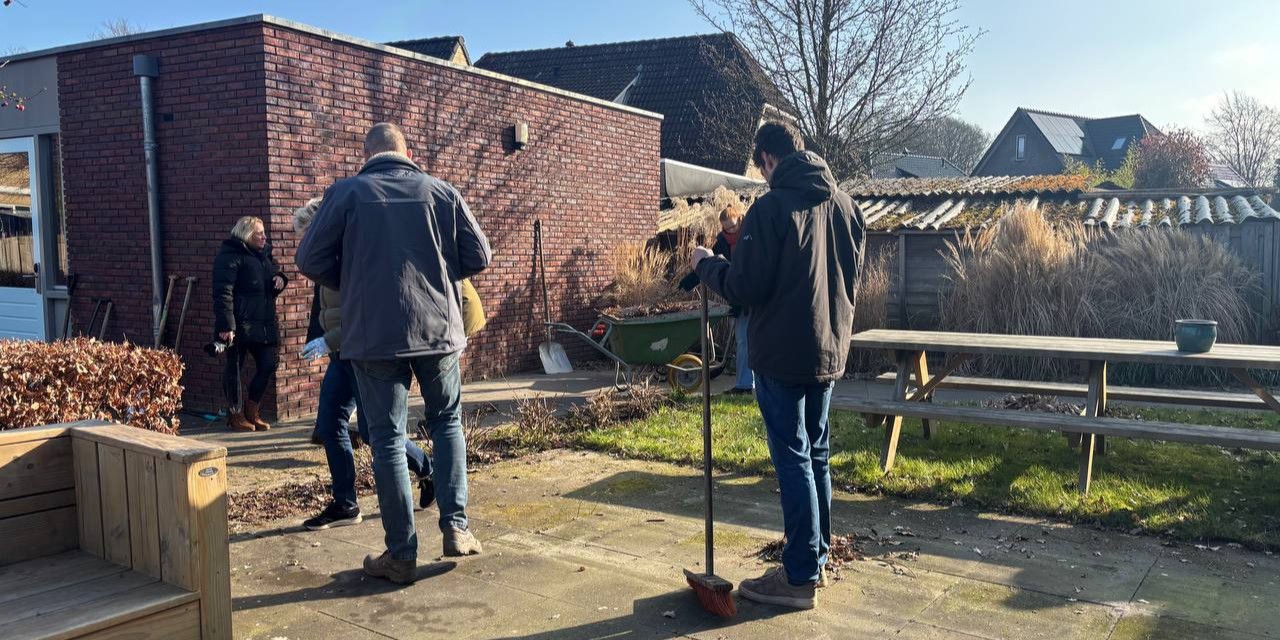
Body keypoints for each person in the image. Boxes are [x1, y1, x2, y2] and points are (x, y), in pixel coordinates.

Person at [296, 123, 492, 585]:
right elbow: (479, 254)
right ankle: (457, 528)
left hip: (373, 333)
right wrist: (437, 273)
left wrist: (357, 279)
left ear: (366, 155)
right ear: (408, 150)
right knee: (446, 422)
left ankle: (400, 554)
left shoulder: (344, 195)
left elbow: (309, 260)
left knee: (385, 437)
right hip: (438, 330)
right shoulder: (440, 192)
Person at [691, 121, 865, 610]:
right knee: (817, 454)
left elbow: (744, 287)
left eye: (760, 167)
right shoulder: (846, 206)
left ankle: (800, 577)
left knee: (793, 458)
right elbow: (852, 282)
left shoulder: (769, 209)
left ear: (767, 159)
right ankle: (816, 559)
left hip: (782, 355)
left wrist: (707, 264)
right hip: (828, 351)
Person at [292, 198, 437, 531]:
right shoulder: (325, 261)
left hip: (365, 354)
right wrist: (320, 340)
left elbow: (368, 313)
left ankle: (427, 468)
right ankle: (345, 504)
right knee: (330, 426)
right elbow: (324, 308)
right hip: (342, 356)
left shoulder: (352, 257)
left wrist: (328, 340)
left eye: (306, 233)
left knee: (375, 431)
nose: (304, 242)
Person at [212, 216, 286, 432]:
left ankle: (252, 410)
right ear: (246, 234)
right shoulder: (229, 256)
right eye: (259, 233)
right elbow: (222, 292)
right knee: (234, 368)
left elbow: (272, 280)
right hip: (237, 324)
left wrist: (281, 279)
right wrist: (227, 325)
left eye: (264, 233)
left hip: (261, 323)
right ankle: (235, 414)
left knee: (268, 364)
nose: (264, 237)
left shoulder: (264, 255)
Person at [677, 203, 754, 394]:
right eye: (726, 229)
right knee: (743, 340)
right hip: (736, 297)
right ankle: (745, 384)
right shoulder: (723, 242)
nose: (730, 231)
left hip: (752, 296)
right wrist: (692, 278)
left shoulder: (750, 236)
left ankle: (749, 384)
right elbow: (708, 264)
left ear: (740, 220)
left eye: (733, 227)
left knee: (750, 340)